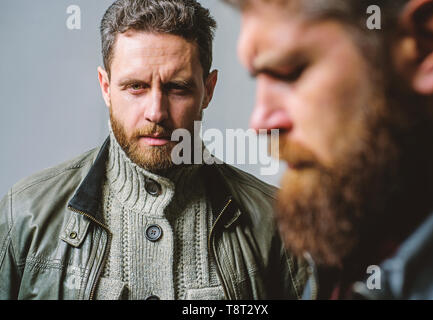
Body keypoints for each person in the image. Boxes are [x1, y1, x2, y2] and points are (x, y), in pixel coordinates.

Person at [0, 0, 304, 300]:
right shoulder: (25, 215)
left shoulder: (278, 224)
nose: (156, 112)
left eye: (178, 88)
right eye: (136, 87)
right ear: (105, 88)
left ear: (208, 90)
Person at [226, 0, 433, 299]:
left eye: (289, 72)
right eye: (259, 78)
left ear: (426, 46)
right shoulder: (344, 243)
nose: (260, 122)